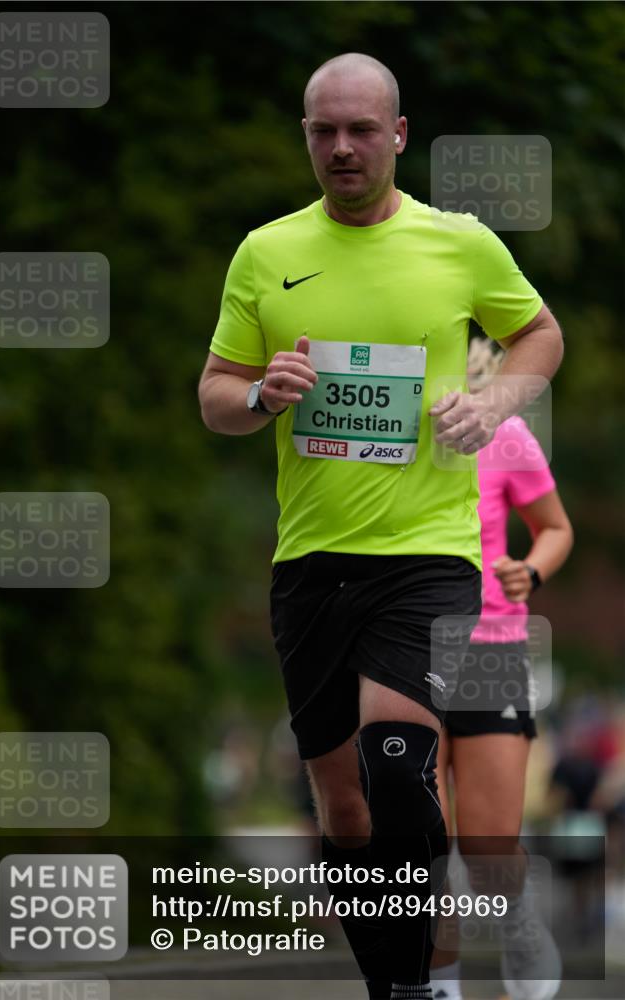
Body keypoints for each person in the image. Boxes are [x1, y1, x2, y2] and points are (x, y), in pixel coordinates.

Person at [198, 52, 564, 1000]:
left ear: (397, 136)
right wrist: (260, 395)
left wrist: (495, 404)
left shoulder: (459, 244)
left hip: (427, 558)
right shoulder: (265, 252)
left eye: (362, 129)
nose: (342, 147)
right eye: (324, 130)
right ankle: (398, 984)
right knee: (348, 811)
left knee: (395, 764)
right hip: (311, 563)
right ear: (306, 138)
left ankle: (428, 981)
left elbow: (539, 334)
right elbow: (215, 397)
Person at [429, 337, 573, 1000]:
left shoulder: (502, 432)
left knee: (487, 849)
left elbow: (554, 527)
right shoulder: (376, 428)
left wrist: (531, 569)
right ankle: (439, 982)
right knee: (418, 848)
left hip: (486, 644)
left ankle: (514, 918)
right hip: (400, 647)